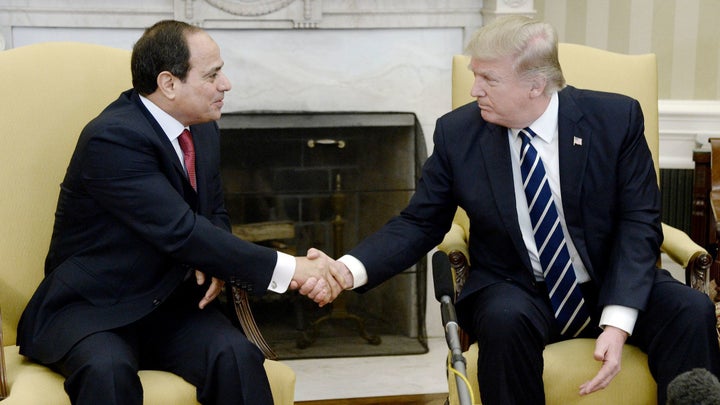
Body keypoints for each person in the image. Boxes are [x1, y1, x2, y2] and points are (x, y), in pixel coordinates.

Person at [306, 15, 720, 404]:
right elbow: (419, 222)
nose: (474, 90)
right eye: (474, 76)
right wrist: (346, 270)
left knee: (691, 310)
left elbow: (639, 220)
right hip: (516, 284)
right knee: (504, 319)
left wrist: (617, 320)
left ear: (536, 84)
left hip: (607, 278)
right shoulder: (458, 133)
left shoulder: (615, 119)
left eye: (488, 78)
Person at [16, 20, 338, 405]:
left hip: (171, 306)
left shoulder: (201, 128)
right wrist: (291, 269)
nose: (226, 84)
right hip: (95, 309)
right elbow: (181, 231)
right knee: (108, 372)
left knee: (237, 357)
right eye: (213, 74)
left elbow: (213, 212)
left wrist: (216, 262)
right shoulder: (113, 138)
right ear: (169, 83)